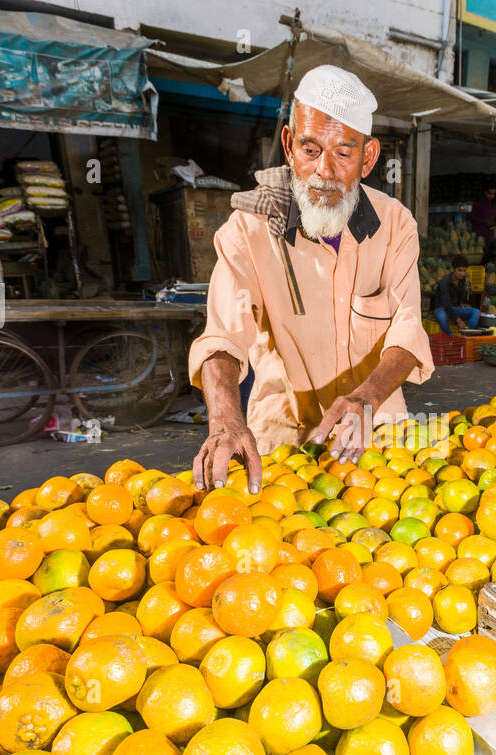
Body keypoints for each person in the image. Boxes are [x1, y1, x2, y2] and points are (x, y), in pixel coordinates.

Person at [187, 65, 434, 491]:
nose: (324, 170)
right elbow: (223, 336)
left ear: (368, 158)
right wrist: (226, 417)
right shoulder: (247, 229)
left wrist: (367, 397)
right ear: (288, 144)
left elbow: (408, 330)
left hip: (379, 440)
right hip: (284, 448)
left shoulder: (396, 225)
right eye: (310, 149)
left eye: (343, 152)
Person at [433, 255, 480, 333]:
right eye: (459, 270)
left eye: (464, 271)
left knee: (476, 312)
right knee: (442, 316)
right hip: (442, 308)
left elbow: (461, 295)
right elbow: (447, 305)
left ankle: (467, 333)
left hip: (455, 308)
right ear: (453, 269)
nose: (462, 274)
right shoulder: (444, 282)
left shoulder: (462, 280)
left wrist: (462, 303)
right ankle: (450, 338)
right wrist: (458, 320)